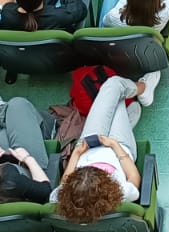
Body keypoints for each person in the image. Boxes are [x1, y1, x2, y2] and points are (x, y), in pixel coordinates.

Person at [54, 75, 144, 221]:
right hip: (120, 146)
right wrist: (115, 145)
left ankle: (126, 120)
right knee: (116, 90)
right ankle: (143, 89)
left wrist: (76, 154)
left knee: (114, 93)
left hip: (86, 146)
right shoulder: (122, 191)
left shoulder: (59, 197)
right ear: (105, 183)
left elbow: (65, 180)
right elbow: (134, 177)